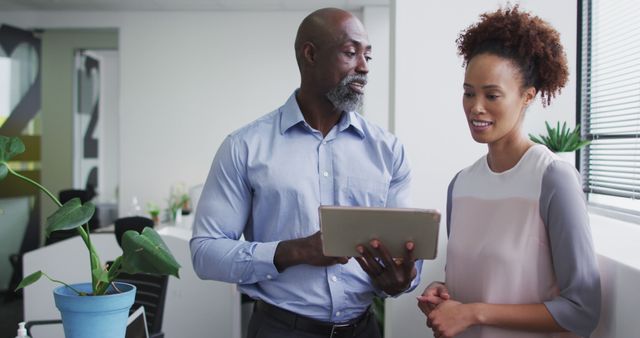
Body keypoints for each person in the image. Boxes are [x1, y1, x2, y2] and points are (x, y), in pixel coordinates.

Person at [190, 7, 421, 338]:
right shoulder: (244, 147)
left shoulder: (388, 151)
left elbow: (406, 249)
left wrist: (403, 279)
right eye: (350, 52)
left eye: (368, 55)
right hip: (279, 329)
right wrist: (295, 251)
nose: (364, 67)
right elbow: (205, 252)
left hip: (363, 328)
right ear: (310, 54)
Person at [417, 5, 601, 338]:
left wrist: (473, 313)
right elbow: (487, 283)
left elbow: (582, 310)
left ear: (527, 96)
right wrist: (445, 292)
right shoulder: (460, 184)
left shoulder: (552, 178)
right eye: (468, 93)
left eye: (492, 95)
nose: (476, 107)